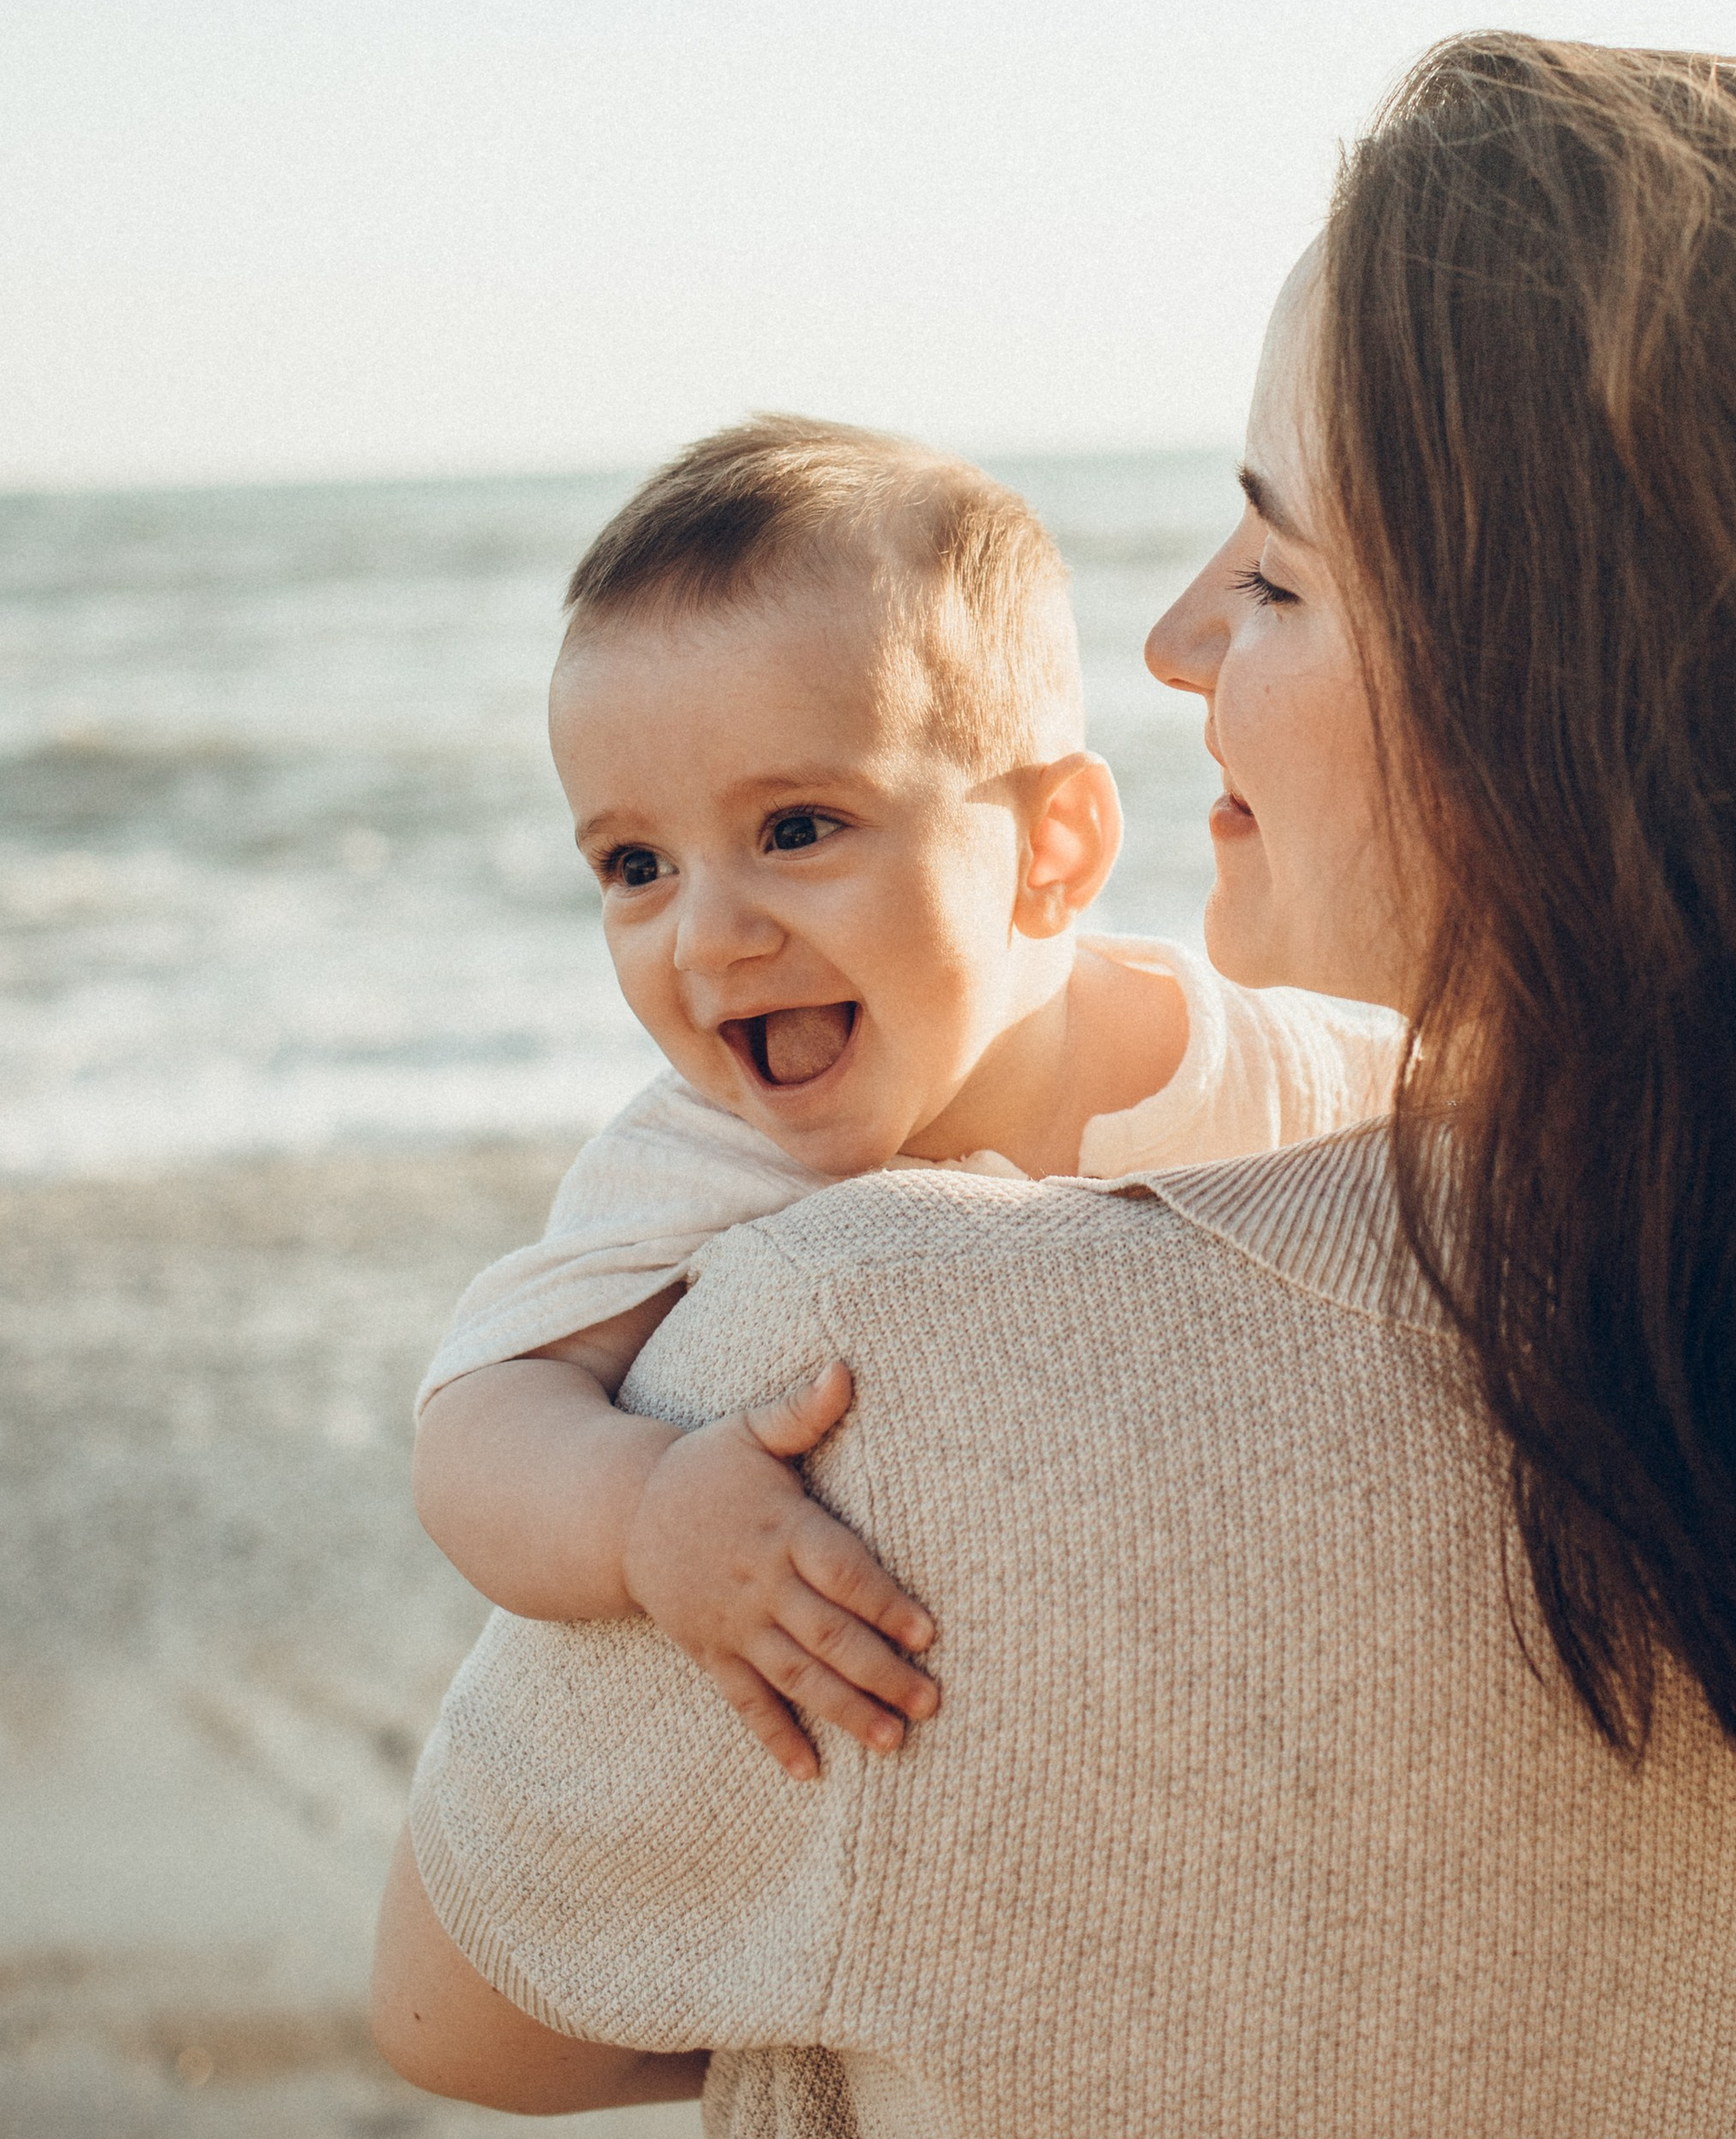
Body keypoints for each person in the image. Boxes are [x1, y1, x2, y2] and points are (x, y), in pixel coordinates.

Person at [375, 37, 1736, 2139]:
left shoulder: (906, 1382)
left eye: (1274, 574)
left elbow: (467, 2003)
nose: (1178, 640)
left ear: (1563, 692)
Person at [410, 414, 1401, 1773]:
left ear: (1053, 851)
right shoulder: (701, 1155)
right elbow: (477, 1428)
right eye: (636, 866)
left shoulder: (1267, 1067)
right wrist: (642, 1514)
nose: (707, 937)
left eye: (795, 830)